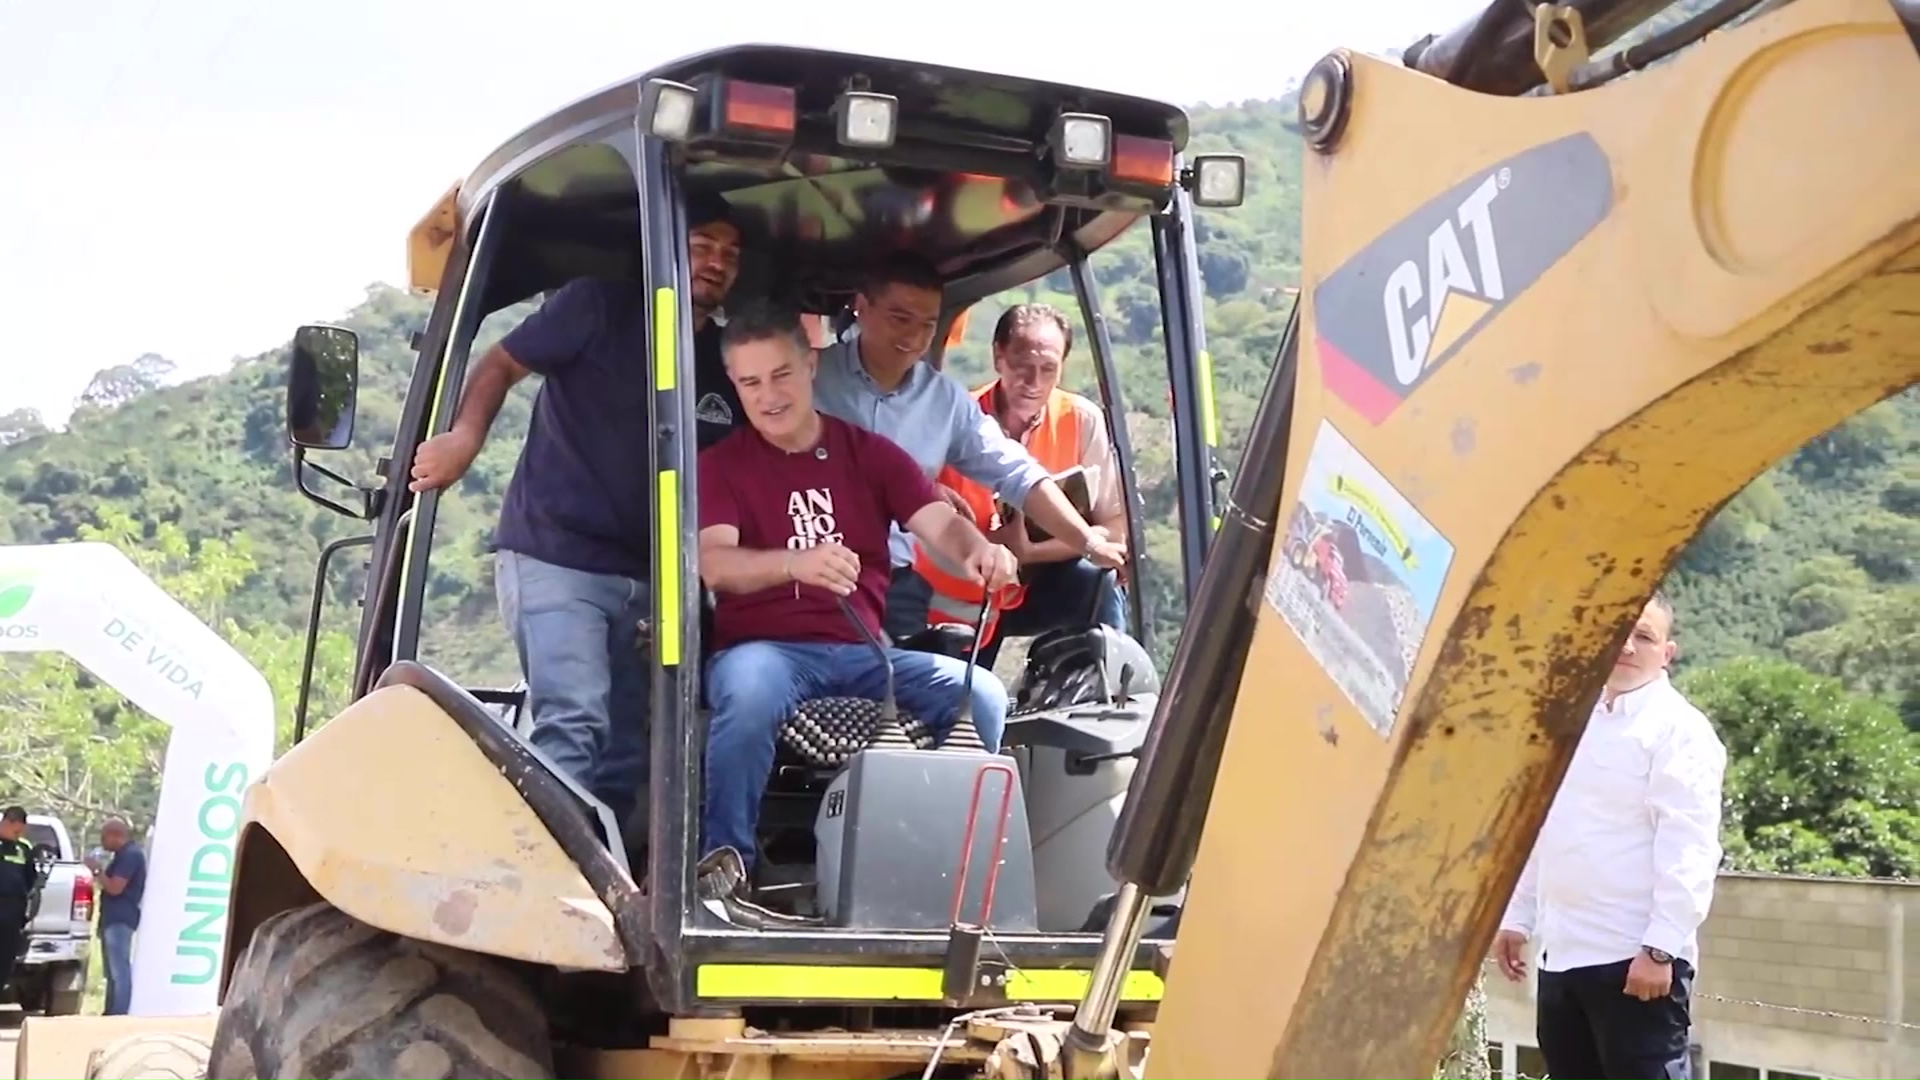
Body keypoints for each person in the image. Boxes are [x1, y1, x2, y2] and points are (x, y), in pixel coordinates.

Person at [405, 191, 745, 828]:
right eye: (701, 247)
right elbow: (502, 362)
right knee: (574, 717)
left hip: (657, 579)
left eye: (729, 254)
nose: (716, 263)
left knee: (633, 748)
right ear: (668, 250)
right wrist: (464, 439)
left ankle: (616, 890)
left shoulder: (729, 366)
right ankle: (546, 883)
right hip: (557, 556)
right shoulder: (597, 305)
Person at [695, 302, 1019, 885]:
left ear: (811, 367)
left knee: (985, 695)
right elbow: (715, 565)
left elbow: (938, 523)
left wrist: (979, 552)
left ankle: (943, 869)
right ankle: (726, 863)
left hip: (866, 654)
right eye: (750, 382)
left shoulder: (867, 454)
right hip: (765, 651)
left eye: (781, 375)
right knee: (747, 689)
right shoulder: (720, 467)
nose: (768, 395)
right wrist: (798, 564)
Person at [809, 254, 1126, 643]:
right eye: (899, 318)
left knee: (959, 698)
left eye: (927, 325)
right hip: (806, 571)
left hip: (893, 583)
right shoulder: (809, 377)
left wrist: (1088, 541)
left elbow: (1017, 474)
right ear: (861, 306)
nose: (912, 338)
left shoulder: (945, 403)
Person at [1493, 593, 1727, 1080]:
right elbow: (1547, 826)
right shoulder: (1574, 720)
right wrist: (1518, 916)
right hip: (1562, 954)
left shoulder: (1680, 730)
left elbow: (1690, 849)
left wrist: (1660, 949)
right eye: (1619, 630)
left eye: (1644, 636)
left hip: (1635, 963)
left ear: (1667, 652)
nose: (1626, 645)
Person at [911, 303, 1130, 666]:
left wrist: (1032, 552)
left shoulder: (1081, 420)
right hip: (959, 600)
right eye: (1022, 367)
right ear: (998, 357)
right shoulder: (955, 417)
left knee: (1098, 579)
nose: (1034, 383)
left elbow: (1115, 529)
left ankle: (1102, 688)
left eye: (1048, 370)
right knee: (958, 707)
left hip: (1040, 587)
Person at [0, 807, 40, 1000]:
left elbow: (31, 880)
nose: (19, 835)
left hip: (13, 912)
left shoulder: (23, 848)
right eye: (16, 831)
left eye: (21, 831)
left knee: (5, 961)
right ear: (6, 822)